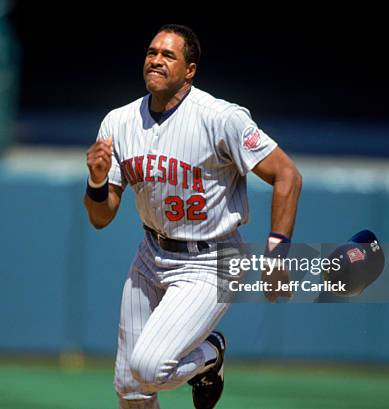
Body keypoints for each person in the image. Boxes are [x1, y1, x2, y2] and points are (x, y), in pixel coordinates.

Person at [83, 24, 302, 409]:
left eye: (168, 55)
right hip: (152, 255)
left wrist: (278, 249)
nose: (156, 60)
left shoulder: (220, 117)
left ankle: (211, 355)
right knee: (130, 389)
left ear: (190, 70)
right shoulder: (118, 122)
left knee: (149, 368)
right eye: (152, 52)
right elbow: (101, 218)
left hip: (212, 260)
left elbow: (287, 175)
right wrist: (97, 182)